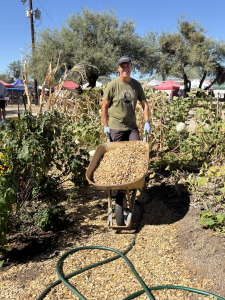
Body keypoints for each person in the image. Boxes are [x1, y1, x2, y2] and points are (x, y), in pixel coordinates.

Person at [102, 56, 151, 141]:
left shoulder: (136, 85)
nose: (125, 69)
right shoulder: (112, 85)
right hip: (116, 127)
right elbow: (104, 106)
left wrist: (147, 122)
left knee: (136, 150)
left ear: (131, 67)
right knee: (118, 153)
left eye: (127, 66)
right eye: (123, 67)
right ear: (118, 69)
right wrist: (106, 126)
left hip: (132, 127)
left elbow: (145, 105)